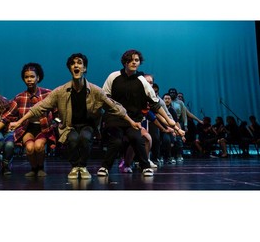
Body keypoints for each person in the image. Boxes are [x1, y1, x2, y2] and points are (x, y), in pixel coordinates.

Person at [9, 53, 140, 179]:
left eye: (79, 63)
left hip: (88, 125)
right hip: (69, 126)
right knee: (72, 139)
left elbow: (115, 107)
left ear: (84, 68)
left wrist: (131, 122)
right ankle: (74, 167)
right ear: (70, 69)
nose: (76, 65)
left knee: (84, 137)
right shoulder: (61, 91)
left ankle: (82, 167)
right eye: (73, 64)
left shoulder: (95, 91)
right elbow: (39, 107)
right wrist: (19, 121)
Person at [100, 49, 177, 177]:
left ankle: (145, 166)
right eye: (130, 60)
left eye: (136, 60)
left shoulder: (142, 81)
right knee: (117, 141)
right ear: (124, 62)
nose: (134, 62)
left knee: (137, 138)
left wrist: (168, 120)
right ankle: (105, 167)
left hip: (134, 120)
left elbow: (155, 103)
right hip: (115, 119)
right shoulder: (113, 77)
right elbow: (104, 98)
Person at [0, 63, 57, 177]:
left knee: (38, 146)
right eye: (26, 77)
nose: (29, 79)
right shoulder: (19, 97)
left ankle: (40, 168)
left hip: (43, 129)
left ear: (38, 78)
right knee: (29, 148)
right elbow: (5, 117)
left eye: (32, 76)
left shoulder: (47, 93)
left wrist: (59, 124)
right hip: (27, 128)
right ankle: (34, 169)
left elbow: (57, 111)